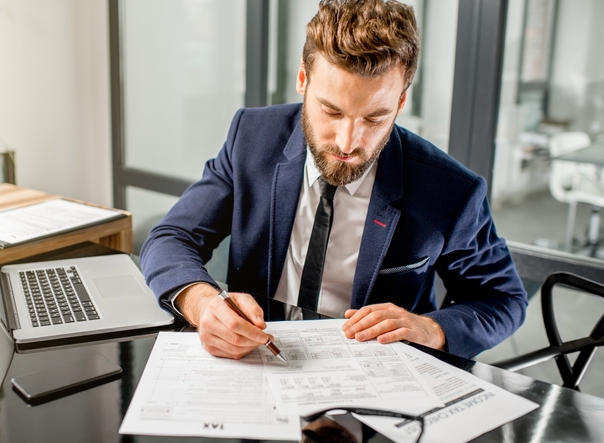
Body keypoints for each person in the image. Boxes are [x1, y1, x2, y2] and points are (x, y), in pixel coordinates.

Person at [140, 0, 527, 360]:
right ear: (303, 81)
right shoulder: (252, 138)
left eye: (374, 118)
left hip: (377, 384)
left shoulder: (450, 190)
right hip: (255, 362)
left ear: (401, 102)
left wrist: (429, 328)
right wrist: (202, 302)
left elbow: (504, 299)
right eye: (331, 111)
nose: (348, 142)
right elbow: (172, 236)